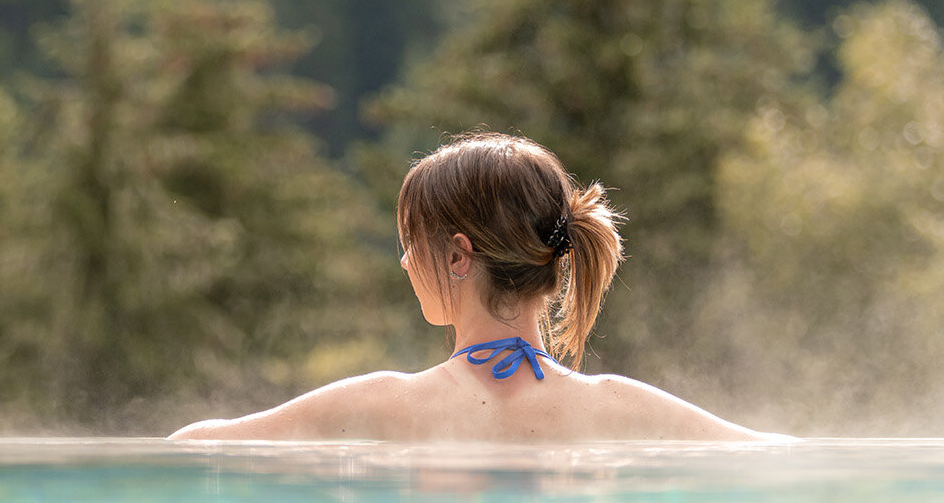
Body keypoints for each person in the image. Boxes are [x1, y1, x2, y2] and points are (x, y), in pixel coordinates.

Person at [171, 132, 783, 442]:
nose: (405, 262)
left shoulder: (383, 406)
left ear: (459, 255)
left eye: (414, 242)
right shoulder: (621, 409)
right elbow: (783, 455)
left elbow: (193, 446)